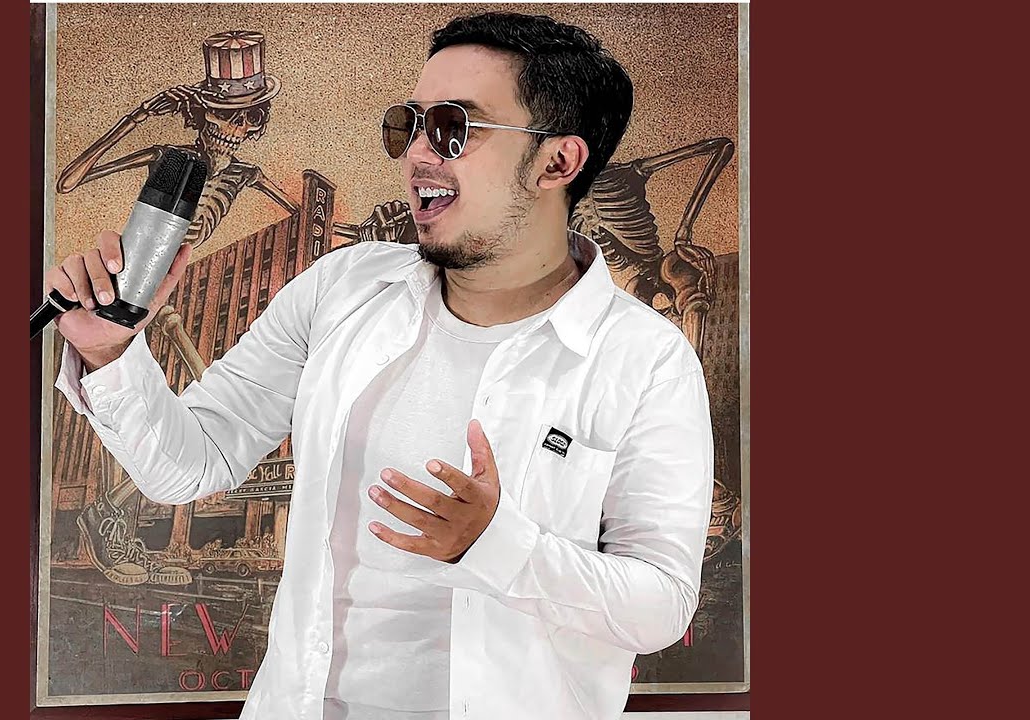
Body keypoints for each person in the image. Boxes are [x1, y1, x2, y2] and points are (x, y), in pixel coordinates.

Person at [48, 11, 713, 720]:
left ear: (558, 162)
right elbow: (190, 466)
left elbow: (660, 607)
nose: (418, 153)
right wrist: (108, 349)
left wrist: (497, 545)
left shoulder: (644, 358)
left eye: (454, 126)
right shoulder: (341, 289)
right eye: (409, 124)